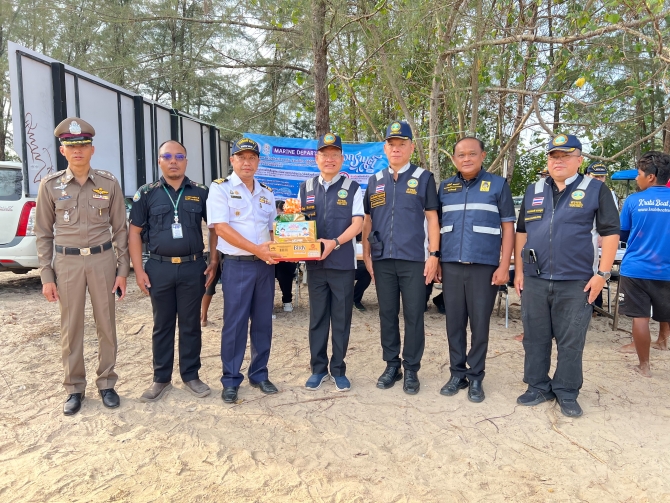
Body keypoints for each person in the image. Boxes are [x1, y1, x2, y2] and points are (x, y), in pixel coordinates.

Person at [514, 134, 619, 417]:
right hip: (535, 278)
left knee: (571, 340)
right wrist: (519, 271)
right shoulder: (533, 190)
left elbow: (610, 233)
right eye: (553, 156)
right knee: (534, 337)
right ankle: (537, 386)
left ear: (579, 160)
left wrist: (602, 274)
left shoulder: (595, 190)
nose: (558, 161)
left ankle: (567, 391)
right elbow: (522, 231)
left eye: (565, 156)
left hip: (577, 281)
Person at [35, 117, 129, 416]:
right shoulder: (50, 186)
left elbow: (120, 230)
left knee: (106, 325)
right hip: (67, 264)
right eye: (71, 146)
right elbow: (43, 233)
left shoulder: (108, 183)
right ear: (62, 150)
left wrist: (122, 271)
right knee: (71, 327)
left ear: (92, 149)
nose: (78, 151)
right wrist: (46, 275)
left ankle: (107, 383)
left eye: (84, 145)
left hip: (102, 261)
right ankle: (74, 388)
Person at [129, 140, 217, 403]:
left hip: (193, 267)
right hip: (159, 268)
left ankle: (191, 375)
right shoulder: (147, 193)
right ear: (159, 161)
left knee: (191, 324)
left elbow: (214, 228)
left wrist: (213, 260)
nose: (173, 161)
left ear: (186, 161)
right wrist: (138, 270)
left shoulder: (201, 192)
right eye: (167, 156)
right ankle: (161, 378)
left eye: (179, 156)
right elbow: (134, 233)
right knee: (162, 324)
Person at [362, 121, 440, 395]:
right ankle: (392, 365)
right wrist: (366, 254)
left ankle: (412, 369)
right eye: (391, 145)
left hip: (414, 260)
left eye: (401, 144)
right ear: (385, 148)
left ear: (411, 147)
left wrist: (434, 255)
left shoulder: (424, 178)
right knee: (387, 313)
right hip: (383, 259)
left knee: (414, 314)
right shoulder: (375, 180)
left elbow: (432, 219)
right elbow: (368, 220)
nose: (396, 149)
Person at [437, 137, 516, 403]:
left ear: (483, 156)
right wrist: (437, 260)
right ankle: (457, 374)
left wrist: (504, 265)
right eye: (461, 155)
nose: (466, 159)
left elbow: (508, 227)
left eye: (472, 154)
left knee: (480, 324)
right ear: (454, 159)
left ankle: (476, 376)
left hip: (484, 266)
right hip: (451, 265)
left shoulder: (498, 185)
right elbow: (436, 226)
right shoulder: (445, 187)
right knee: (454, 323)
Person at [207, 138, 281, 404]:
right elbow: (221, 228)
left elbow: (274, 228)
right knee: (235, 324)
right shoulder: (220, 189)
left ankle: (259, 374)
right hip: (237, 265)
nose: (247, 162)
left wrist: (281, 247)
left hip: (265, 266)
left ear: (258, 162)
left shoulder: (266, 193)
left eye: (252, 158)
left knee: (263, 322)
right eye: (241, 157)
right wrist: (257, 249)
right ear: (232, 160)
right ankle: (230, 379)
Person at [299, 132, 364, 391]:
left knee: (341, 319)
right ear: (317, 158)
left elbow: (357, 224)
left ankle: (338, 369)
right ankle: (318, 369)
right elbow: (298, 225)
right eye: (324, 154)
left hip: (342, 265)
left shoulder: (353, 188)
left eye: (334, 154)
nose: (329, 159)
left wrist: (334, 243)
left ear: (341, 158)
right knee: (317, 319)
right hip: (315, 266)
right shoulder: (305, 188)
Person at [614, 151, 670, 377]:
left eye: (639, 174)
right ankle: (663, 341)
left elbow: (622, 234)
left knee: (640, 318)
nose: (637, 178)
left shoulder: (634, 200)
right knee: (665, 310)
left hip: (636, 269)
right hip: (666, 270)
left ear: (651, 177)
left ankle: (644, 366)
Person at [274, 200, 298, 312]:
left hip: (286, 256)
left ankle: (287, 300)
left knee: (284, 271)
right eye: (277, 214)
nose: (280, 216)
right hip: (270, 254)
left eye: (282, 213)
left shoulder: (294, 224)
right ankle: (269, 304)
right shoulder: (269, 222)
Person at [200, 251, 223, 327]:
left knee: (209, 283)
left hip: (213, 251)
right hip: (228, 252)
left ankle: (203, 318)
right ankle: (203, 318)